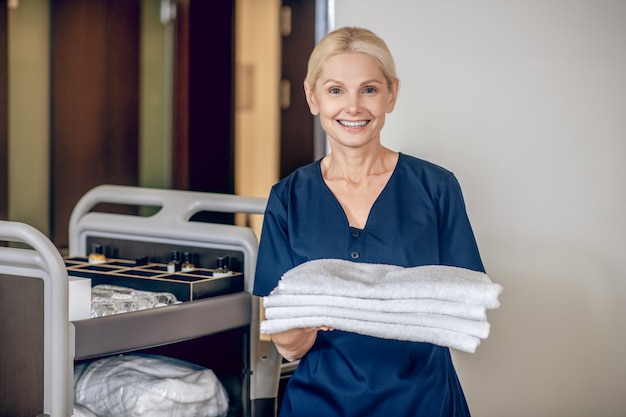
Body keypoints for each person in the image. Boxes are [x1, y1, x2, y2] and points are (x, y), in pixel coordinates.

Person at [254, 26, 484, 417]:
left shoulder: (436, 188)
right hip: (319, 404)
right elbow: (287, 342)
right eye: (335, 90)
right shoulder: (288, 198)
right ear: (313, 97)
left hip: (423, 401)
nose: (353, 107)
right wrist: (312, 318)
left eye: (369, 89)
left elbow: (465, 309)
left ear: (391, 94)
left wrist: (328, 302)